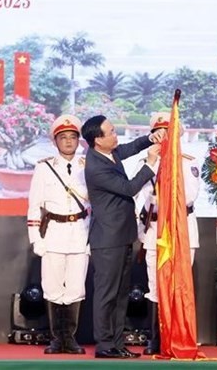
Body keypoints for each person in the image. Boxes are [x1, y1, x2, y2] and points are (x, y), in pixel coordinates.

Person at [81, 115, 164, 359]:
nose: (116, 135)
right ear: (97, 140)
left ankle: (117, 343)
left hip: (122, 236)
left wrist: (150, 138)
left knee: (120, 294)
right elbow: (128, 188)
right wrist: (150, 164)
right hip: (107, 241)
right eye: (111, 132)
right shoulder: (95, 166)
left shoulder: (110, 152)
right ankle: (105, 344)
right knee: (107, 294)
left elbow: (130, 147)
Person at [134, 112, 200, 355]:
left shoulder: (188, 162)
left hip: (181, 231)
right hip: (155, 232)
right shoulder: (147, 162)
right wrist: (153, 165)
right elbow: (139, 196)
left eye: (168, 132)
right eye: (159, 133)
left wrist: (169, 169)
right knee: (155, 284)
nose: (163, 138)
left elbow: (189, 197)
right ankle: (157, 337)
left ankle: (178, 335)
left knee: (178, 285)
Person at [27, 115, 90, 355]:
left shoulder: (88, 166)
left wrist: (90, 239)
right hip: (53, 233)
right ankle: (56, 339)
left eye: (73, 137)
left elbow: (93, 207)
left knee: (75, 288)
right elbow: (34, 205)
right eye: (63, 138)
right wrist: (36, 239)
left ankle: (70, 339)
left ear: (78, 141)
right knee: (52, 287)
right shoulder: (44, 168)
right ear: (55, 141)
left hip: (79, 233)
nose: (68, 142)